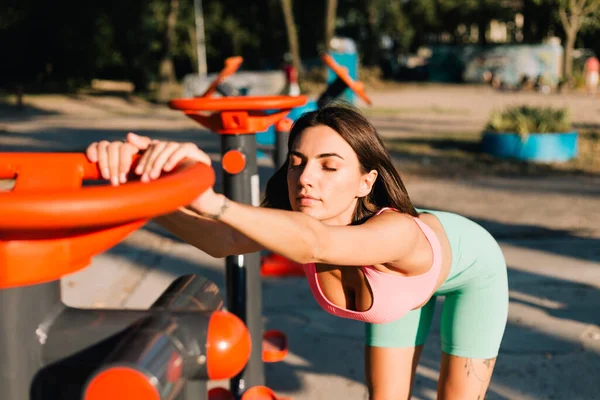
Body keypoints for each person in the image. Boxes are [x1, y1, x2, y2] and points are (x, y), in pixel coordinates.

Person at [86, 105, 508, 400]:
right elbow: (221, 240)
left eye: (329, 165)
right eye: (297, 161)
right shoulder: (296, 218)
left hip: (474, 274)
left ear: (366, 182)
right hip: (402, 294)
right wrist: (133, 189)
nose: (306, 178)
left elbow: (318, 244)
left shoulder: (397, 233)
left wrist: (213, 200)